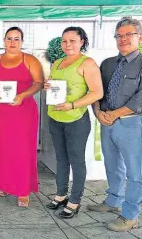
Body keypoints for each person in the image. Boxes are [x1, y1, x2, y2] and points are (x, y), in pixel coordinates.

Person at [88, 18, 142, 232]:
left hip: (130, 124)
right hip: (106, 121)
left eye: (129, 34)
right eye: (119, 35)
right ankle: (113, 201)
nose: (123, 39)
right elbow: (96, 90)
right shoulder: (108, 63)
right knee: (112, 165)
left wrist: (113, 115)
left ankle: (130, 215)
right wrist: (98, 112)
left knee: (134, 171)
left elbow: (141, 100)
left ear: (140, 37)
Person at [43, 27, 103, 218]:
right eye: (64, 41)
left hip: (76, 119)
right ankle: (61, 194)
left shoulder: (88, 63)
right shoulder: (58, 62)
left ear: (82, 42)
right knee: (61, 158)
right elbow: (54, 85)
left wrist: (72, 105)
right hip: (55, 117)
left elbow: (97, 93)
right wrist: (48, 86)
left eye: (72, 41)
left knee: (76, 161)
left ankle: (75, 200)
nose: (67, 44)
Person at [0, 26, 44, 207]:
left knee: (22, 150)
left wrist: (23, 95)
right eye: (9, 38)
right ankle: (3, 183)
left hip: (24, 112)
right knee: (3, 148)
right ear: (4, 40)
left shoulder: (30, 60)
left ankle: (22, 189)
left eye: (16, 39)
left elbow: (39, 83)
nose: (12, 42)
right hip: (2, 112)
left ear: (22, 41)